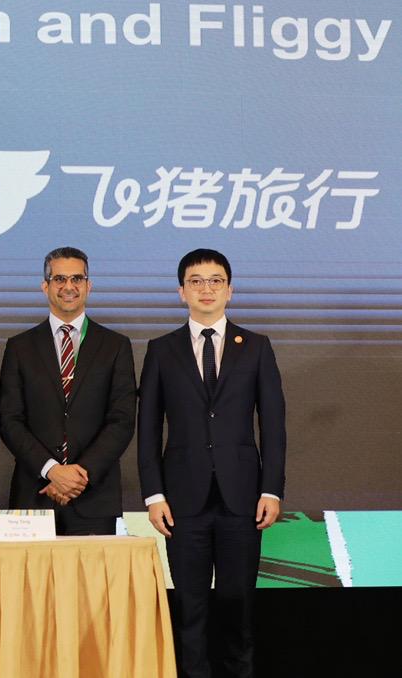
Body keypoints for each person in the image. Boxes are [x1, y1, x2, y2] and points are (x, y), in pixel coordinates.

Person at [138, 249, 287, 678]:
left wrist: (271, 489)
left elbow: (273, 425)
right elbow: (148, 428)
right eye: (196, 281)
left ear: (230, 290)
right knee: (190, 607)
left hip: (243, 499)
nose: (207, 289)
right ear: (181, 292)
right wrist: (153, 495)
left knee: (238, 604)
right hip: (182, 501)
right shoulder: (161, 350)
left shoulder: (256, 347)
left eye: (216, 280)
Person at [0, 247, 136, 535]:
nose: (69, 286)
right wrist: (52, 470)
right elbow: (10, 420)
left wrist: (78, 475)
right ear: (45, 286)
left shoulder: (115, 346)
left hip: (94, 497)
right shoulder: (19, 347)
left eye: (77, 278)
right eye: (59, 279)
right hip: (35, 494)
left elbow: (122, 420)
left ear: (89, 285)